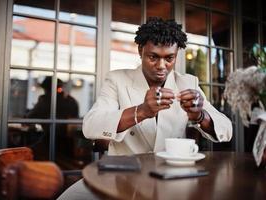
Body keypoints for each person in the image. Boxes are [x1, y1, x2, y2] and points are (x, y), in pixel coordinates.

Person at [58, 17, 232, 200]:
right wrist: (140, 111)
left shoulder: (188, 82)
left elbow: (227, 129)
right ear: (140, 51)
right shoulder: (117, 80)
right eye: (153, 57)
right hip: (123, 176)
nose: (161, 66)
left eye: (169, 58)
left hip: (172, 178)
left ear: (177, 54)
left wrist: (199, 115)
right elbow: (91, 125)